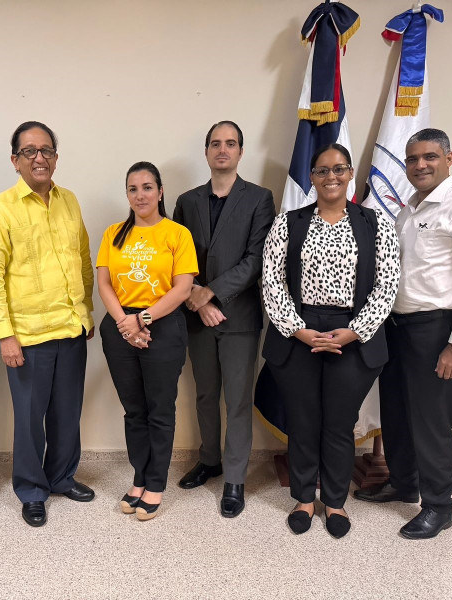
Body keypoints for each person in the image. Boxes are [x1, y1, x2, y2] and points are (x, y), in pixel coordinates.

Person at [354, 128, 452, 539]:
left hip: (438, 331)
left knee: (431, 422)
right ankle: (404, 483)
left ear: (449, 158)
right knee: (397, 413)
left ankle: (439, 506)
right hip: (398, 328)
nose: (420, 165)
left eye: (430, 157)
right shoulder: (408, 210)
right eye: (413, 159)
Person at [261, 143, 400, 538]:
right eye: (322, 171)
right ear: (311, 177)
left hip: (353, 334)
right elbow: (271, 281)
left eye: (338, 169)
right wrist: (301, 331)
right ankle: (305, 499)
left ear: (351, 172)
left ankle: (336, 501)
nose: (331, 177)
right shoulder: (287, 223)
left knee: (339, 424)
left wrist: (354, 330)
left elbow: (387, 284)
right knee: (303, 421)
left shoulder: (376, 224)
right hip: (298, 332)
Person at [0, 121, 95, 527]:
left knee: (67, 412)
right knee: (29, 420)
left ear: (56, 158)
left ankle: (61, 477)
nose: (39, 158)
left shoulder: (70, 200)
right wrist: (5, 335)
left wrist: (87, 311)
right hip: (26, 337)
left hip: (71, 328)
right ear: (15, 160)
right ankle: (31, 490)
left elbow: (82, 258)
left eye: (46, 150)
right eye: (29, 151)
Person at [173, 121, 275, 517]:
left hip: (239, 317)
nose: (222, 150)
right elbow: (179, 257)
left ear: (240, 152)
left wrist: (209, 292)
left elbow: (256, 259)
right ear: (206, 152)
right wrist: (197, 300)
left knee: (236, 400)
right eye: (215, 143)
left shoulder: (260, 198)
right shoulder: (187, 200)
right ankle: (210, 460)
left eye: (230, 144)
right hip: (197, 316)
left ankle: (234, 478)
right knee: (203, 394)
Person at [98, 162, 198, 521]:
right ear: (127, 194)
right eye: (133, 188)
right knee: (134, 410)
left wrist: (142, 319)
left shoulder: (177, 234)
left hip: (163, 325)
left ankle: (156, 484)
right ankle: (139, 478)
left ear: (160, 191)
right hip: (120, 325)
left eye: (147, 187)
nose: (140, 195)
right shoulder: (113, 233)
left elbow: (183, 287)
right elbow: (105, 284)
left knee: (160, 409)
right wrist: (125, 324)